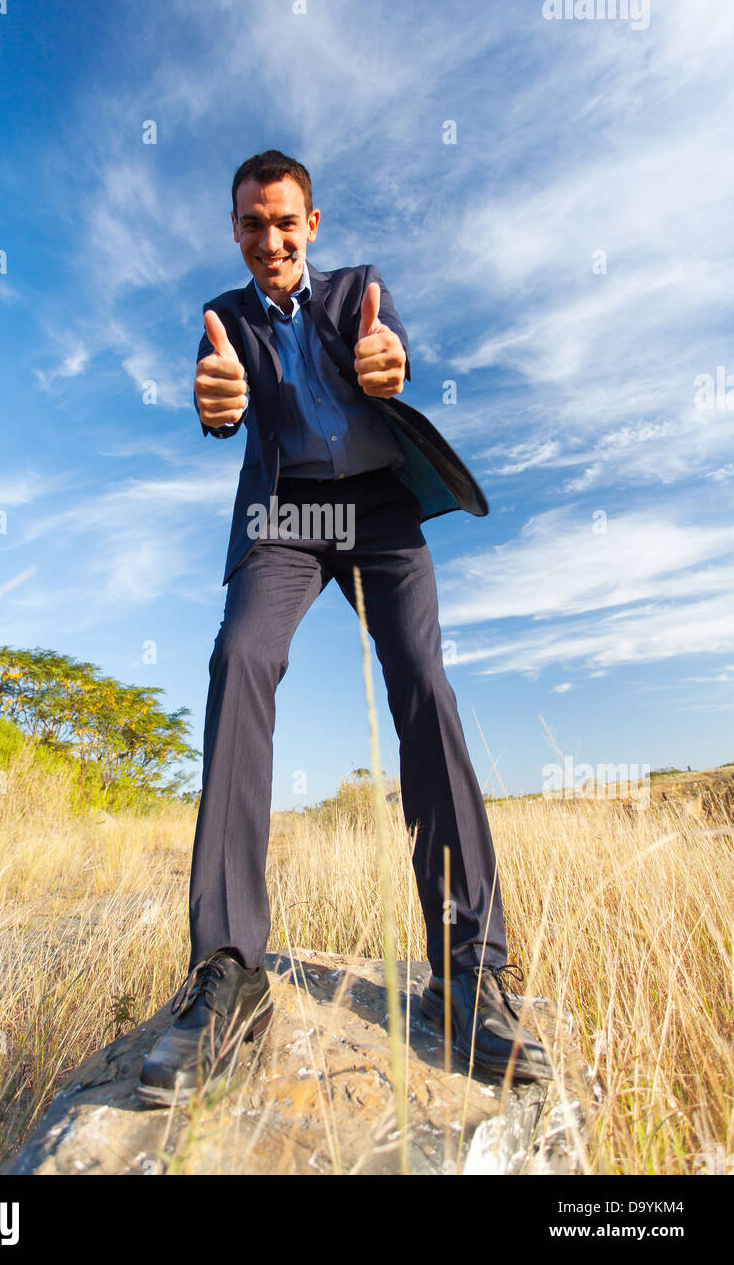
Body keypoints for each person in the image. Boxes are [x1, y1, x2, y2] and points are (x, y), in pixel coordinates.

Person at [137, 150, 551, 1106]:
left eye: (286, 223)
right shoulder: (225, 318)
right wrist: (216, 404)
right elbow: (218, 394)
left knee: (423, 684)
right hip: (287, 518)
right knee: (239, 656)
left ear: (311, 225)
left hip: (378, 511)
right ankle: (229, 971)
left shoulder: (362, 291)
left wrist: (385, 364)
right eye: (252, 225)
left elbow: (388, 357)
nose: (271, 241)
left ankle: (468, 972)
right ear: (234, 230)